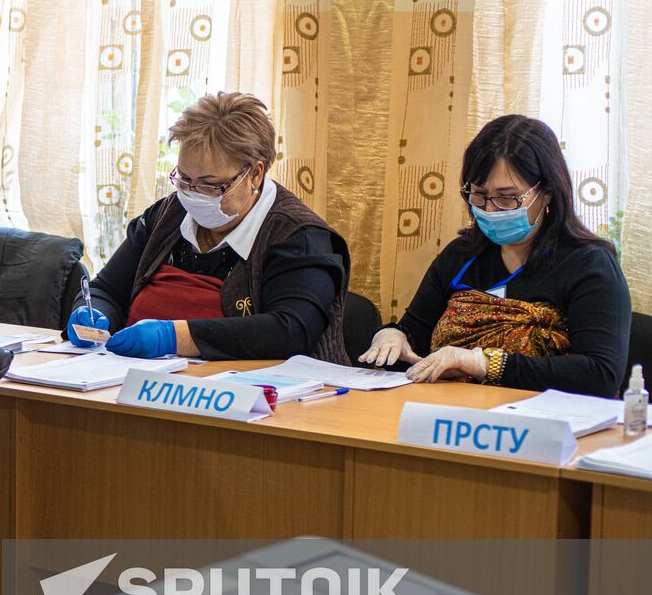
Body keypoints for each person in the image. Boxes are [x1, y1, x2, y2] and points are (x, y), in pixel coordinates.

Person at [67, 92, 351, 362]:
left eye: (210, 184)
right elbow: (107, 289)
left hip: (255, 398)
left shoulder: (298, 236)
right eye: (185, 179)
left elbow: (291, 330)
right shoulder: (168, 215)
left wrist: (173, 337)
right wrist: (91, 312)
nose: (193, 193)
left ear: (255, 173)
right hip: (139, 380)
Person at [361, 115, 629, 397]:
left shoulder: (588, 264)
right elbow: (415, 339)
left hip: (544, 425)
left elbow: (601, 374)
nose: (490, 210)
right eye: (478, 194)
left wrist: (481, 363)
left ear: (547, 192)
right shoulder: (462, 255)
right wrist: (393, 336)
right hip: (447, 416)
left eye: (507, 198)